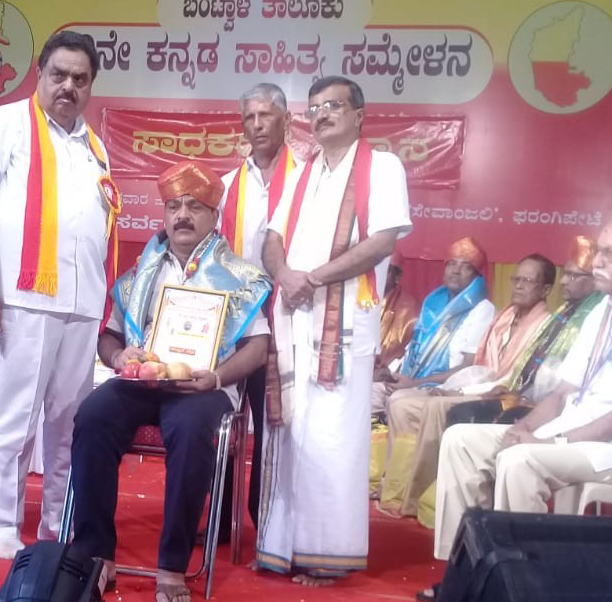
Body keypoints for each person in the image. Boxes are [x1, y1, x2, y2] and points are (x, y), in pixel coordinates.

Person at [70, 160, 271, 602]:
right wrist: (118, 356)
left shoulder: (240, 277)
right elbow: (109, 337)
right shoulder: (140, 274)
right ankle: (96, 556)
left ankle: (172, 566)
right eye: (174, 206)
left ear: (214, 216)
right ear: (163, 214)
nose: (182, 215)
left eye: (194, 207)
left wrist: (216, 377)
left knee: (191, 427)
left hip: (204, 388)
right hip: (143, 383)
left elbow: (258, 347)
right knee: (93, 415)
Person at [425, 214, 612, 601]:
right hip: (572, 432)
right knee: (461, 440)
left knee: (521, 460)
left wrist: (554, 442)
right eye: (599, 251)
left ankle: (525, 587)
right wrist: (524, 428)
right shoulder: (602, 311)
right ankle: (464, 575)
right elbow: (562, 394)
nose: (598, 261)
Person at [0, 31, 116, 559]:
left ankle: (57, 521)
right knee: (16, 417)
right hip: (25, 299)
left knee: (70, 424)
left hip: (83, 305)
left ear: (91, 86)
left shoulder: (94, 146)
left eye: (80, 78)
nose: (68, 86)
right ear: (39, 74)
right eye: (59, 75)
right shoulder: (5, 124)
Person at [256, 76, 412, 585]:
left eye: (334, 106)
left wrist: (314, 278)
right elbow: (272, 239)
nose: (322, 114)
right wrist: (286, 275)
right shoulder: (303, 172)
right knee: (291, 432)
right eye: (316, 107)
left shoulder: (382, 167)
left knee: (332, 438)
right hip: (294, 317)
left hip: (342, 325)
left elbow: (382, 241)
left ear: (359, 115)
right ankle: (284, 547)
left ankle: (328, 555)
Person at [378, 254, 554, 518]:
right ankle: (396, 488)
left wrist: (457, 391)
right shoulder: (505, 318)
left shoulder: (543, 326)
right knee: (402, 406)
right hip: (475, 387)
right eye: (516, 279)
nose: (518, 285)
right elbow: (479, 369)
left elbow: (512, 381)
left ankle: (419, 498)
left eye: (527, 281)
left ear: (546, 289)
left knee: (436, 407)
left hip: (506, 398)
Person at [217, 82, 295, 534]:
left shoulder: (306, 182)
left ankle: (266, 521)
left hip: (286, 322)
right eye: (250, 117)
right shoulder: (228, 186)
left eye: (266, 115)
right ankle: (220, 519)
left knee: (273, 425)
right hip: (236, 326)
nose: (258, 124)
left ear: (287, 119)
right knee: (223, 418)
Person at [447, 236, 603, 426]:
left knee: (458, 414)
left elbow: (557, 378)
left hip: (553, 404)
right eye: (516, 279)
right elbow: (524, 371)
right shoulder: (562, 314)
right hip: (514, 392)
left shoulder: (593, 317)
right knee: (450, 411)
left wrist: (470, 391)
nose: (563, 281)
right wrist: (509, 388)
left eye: (573, 276)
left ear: (596, 280)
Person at [370, 238, 495, 416]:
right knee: (367, 393)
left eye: (466, 267)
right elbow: (413, 351)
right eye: (451, 264)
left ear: (476, 276)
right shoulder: (434, 304)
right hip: (411, 382)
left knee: (397, 401)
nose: (456, 271)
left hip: (443, 388)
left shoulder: (482, 309)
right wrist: (390, 373)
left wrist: (414, 384)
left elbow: (468, 366)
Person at [375, 251, 419, 378]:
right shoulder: (359, 299)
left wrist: (387, 371)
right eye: (375, 269)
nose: (378, 274)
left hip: (388, 374)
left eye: (385, 270)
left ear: (397, 276)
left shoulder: (408, 307)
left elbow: (405, 351)